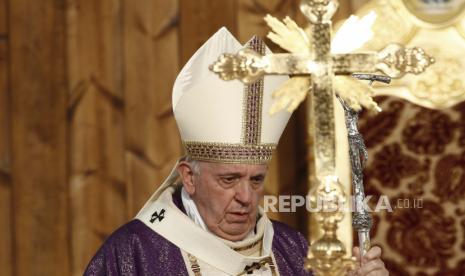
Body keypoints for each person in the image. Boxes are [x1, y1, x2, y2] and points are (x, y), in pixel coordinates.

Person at [84, 27, 388, 276]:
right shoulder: (133, 254)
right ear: (188, 177)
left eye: (256, 180)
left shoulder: (291, 249)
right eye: (229, 179)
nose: (246, 197)